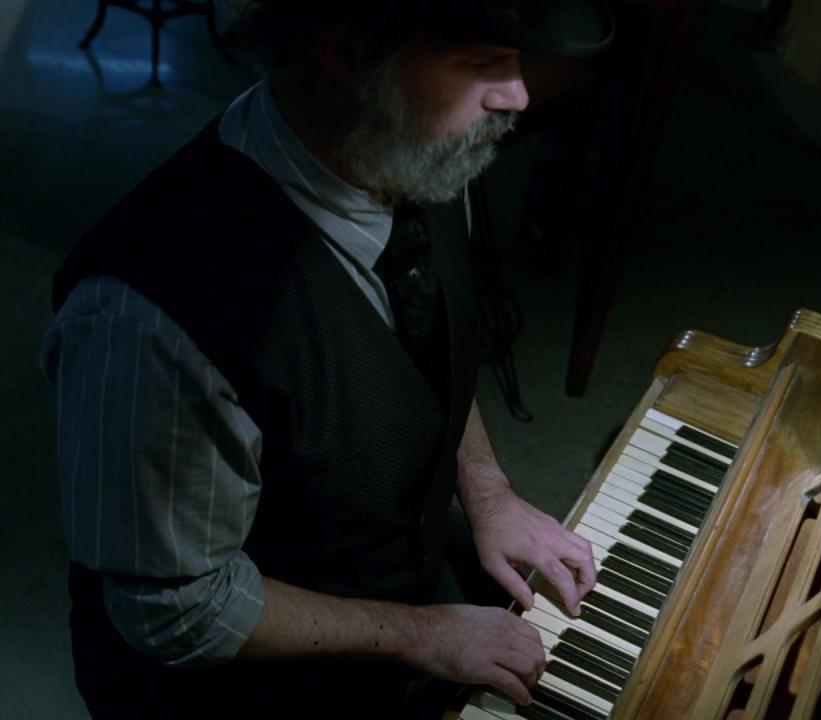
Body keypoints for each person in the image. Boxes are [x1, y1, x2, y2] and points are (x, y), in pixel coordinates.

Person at [41, 1, 614, 716]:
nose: (518, 93)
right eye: (480, 62)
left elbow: (425, 335)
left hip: (382, 605)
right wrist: (426, 633)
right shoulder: (148, 320)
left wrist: (488, 489)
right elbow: (177, 610)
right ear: (345, 54)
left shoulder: (411, 144)